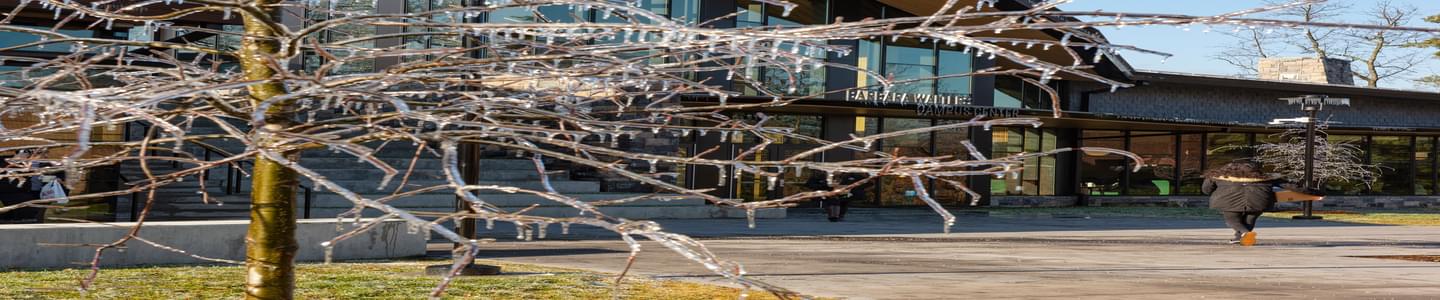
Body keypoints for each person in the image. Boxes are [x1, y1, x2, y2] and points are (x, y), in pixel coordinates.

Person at [1201, 160, 1294, 246]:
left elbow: (1206, 190)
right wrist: (1303, 191)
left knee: (1232, 220)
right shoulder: (1266, 177)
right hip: (1259, 201)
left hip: (1229, 202)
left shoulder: (1218, 176)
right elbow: (1290, 185)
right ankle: (1240, 238)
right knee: (1250, 220)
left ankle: (1246, 234)